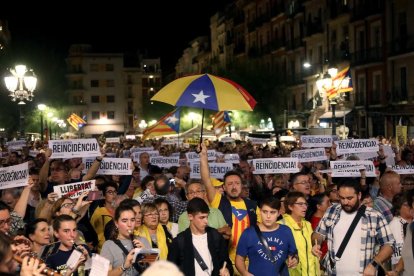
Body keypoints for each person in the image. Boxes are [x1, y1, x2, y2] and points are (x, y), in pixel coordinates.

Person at [312, 178, 395, 275]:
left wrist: (374, 264)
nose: (345, 202)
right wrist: (316, 244)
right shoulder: (331, 211)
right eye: (342, 198)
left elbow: (389, 244)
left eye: (349, 198)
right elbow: (318, 234)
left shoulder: (374, 216)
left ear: (359, 195)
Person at [200, 143, 259, 269]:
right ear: (224, 187)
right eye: (230, 184)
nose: (234, 186)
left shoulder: (252, 205)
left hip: (250, 261)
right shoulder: (218, 201)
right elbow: (206, 180)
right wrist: (203, 156)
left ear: (242, 186)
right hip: (225, 262)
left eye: (237, 183)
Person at [167, 197, 232, 276]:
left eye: (207, 217)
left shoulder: (215, 236)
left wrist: (226, 269)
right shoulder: (179, 241)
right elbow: (170, 270)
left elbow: (225, 261)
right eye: (202, 217)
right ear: (190, 217)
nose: (206, 221)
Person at [236, 197, 298, 276]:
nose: (268, 216)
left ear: (279, 213)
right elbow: (239, 258)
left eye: (272, 212)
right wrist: (245, 273)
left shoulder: (286, 231)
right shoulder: (248, 233)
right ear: (260, 211)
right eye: (265, 212)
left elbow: (293, 253)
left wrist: (294, 259)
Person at [101, 204, 150, 275]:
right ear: (116, 223)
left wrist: (147, 254)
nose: (129, 224)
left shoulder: (143, 240)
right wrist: (123, 267)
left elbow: (156, 269)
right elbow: (105, 274)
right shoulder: (108, 245)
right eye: (124, 221)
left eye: (132, 220)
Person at [279, 191, 320, 275]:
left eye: (305, 204)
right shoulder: (281, 225)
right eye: (300, 204)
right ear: (290, 206)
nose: (304, 207)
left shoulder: (307, 224)